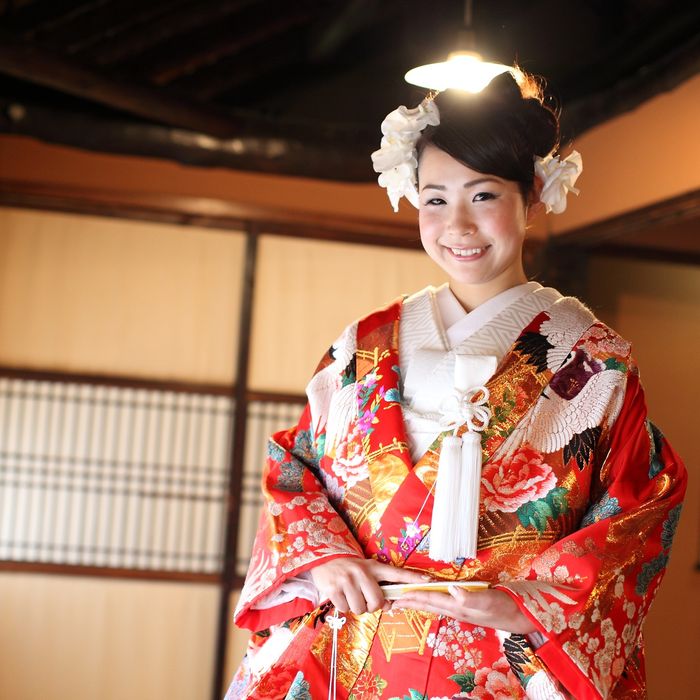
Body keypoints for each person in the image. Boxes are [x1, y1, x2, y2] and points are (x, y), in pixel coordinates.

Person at [225, 70, 687, 699]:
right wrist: (326, 558)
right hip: (353, 647)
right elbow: (295, 468)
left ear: (533, 195)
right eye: (435, 200)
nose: (458, 225)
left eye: (483, 195)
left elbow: (639, 504)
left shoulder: (593, 360)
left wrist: (526, 605)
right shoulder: (365, 341)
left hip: (501, 657)